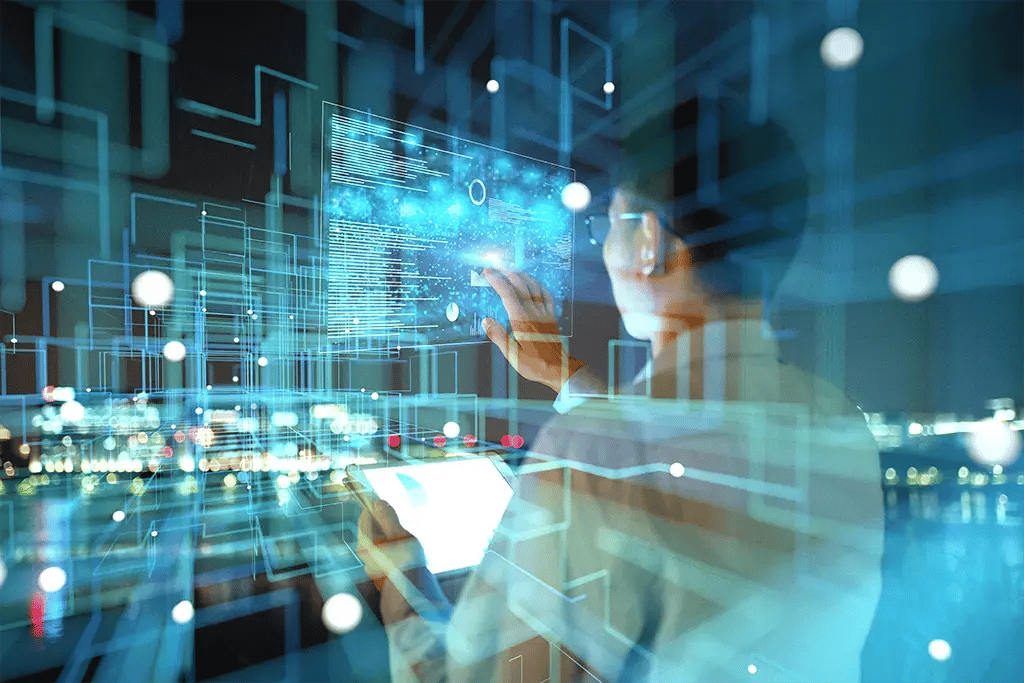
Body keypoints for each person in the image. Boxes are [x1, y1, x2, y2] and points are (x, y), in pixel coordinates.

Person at [355, 94, 884, 683]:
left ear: (650, 242)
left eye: (609, 226)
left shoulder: (594, 453)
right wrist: (568, 377)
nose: (604, 251)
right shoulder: (836, 420)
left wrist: (404, 587)